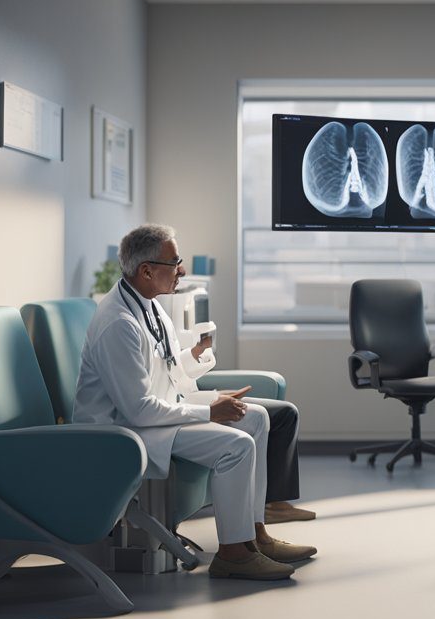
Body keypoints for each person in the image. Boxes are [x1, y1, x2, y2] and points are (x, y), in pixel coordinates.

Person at [74, 224, 316, 579]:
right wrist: (209, 410)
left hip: (150, 416)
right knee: (235, 444)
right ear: (146, 271)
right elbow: (137, 409)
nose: (182, 270)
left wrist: (197, 361)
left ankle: (254, 535)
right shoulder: (119, 323)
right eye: (175, 263)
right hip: (123, 432)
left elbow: (165, 373)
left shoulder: (150, 307)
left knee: (255, 418)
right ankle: (233, 554)